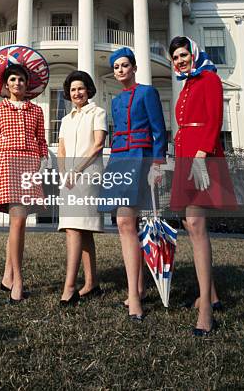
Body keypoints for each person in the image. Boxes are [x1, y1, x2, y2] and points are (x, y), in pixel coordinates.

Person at [169, 36, 237, 336]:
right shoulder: (187, 84)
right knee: (189, 221)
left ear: (194, 53)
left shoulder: (209, 78)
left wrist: (201, 155)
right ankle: (211, 294)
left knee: (196, 222)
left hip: (201, 154)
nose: (180, 60)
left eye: (183, 54)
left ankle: (207, 313)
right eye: (176, 57)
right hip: (185, 153)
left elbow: (215, 120)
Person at [97, 47, 167, 321]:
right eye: (116, 67)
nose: (120, 70)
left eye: (125, 65)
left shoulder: (147, 92)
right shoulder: (115, 101)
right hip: (119, 160)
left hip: (141, 157)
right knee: (124, 224)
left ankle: (135, 297)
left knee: (128, 223)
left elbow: (159, 130)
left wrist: (158, 164)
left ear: (134, 68)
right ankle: (135, 288)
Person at [0, 63, 48, 303]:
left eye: (21, 80)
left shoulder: (36, 110)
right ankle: (18, 280)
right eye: (13, 79)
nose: (17, 83)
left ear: (27, 84)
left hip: (30, 162)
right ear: (6, 84)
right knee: (18, 220)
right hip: (6, 162)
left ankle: (7, 276)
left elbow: (41, 139)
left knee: (17, 222)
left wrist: (43, 160)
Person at [57, 71, 108, 306]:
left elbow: (98, 144)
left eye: (81, 88)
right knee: (81, 229)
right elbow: (62, 150)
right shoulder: (67, 119)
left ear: (88, 89)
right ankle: (92, 283)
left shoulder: (97, 112)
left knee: (74, 229)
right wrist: (63, 173)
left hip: (88, 176)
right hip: (68, 178)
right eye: (72, 89)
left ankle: (69, 287)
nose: (76, 93)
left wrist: (76, 170)